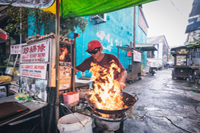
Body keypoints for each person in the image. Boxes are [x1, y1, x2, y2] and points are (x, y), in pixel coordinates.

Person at [75, 40, 127, 133]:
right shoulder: (89, 61)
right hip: (98, 92)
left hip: (113, 91)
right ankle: (101, 128)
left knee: (117, 111)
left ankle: (118, 130)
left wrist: (121, 82)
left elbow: (123, 71)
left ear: (101, 49)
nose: (92, 54)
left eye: (94, 51)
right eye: (90, 52)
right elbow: (75, 70)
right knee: (99, 111)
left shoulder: (111, 58)